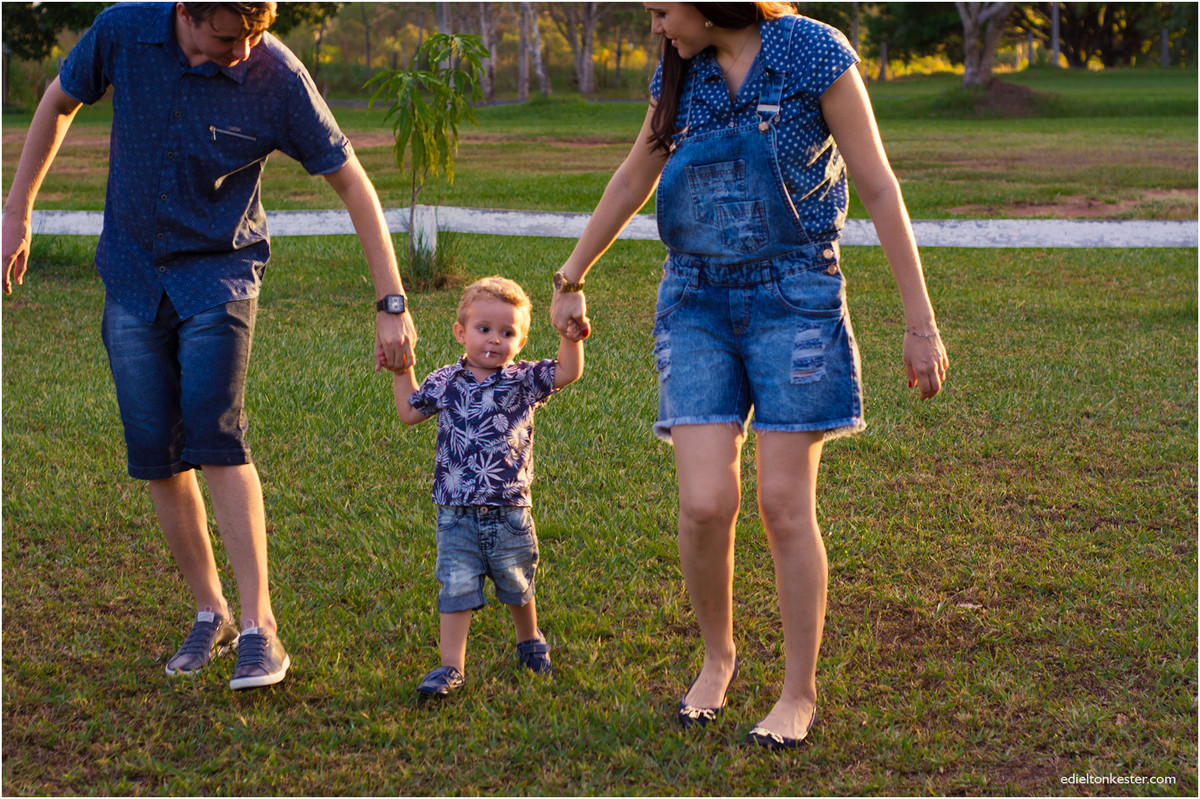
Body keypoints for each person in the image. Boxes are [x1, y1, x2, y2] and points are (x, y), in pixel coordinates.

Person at [550, 2, 949, 748]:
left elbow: (880, 186)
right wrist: (572, 272)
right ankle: (718, 656)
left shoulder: (811, 52)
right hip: (695, 299)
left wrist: (919, 322)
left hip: (795, 297)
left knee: (782, 503)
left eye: (664, 10)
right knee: (705, 502)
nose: (656, 25)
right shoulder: (680, 67)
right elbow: (640, 165)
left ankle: (799, 690)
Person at [1, 2, 417, 690]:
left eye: (256, 33)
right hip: (132, 276)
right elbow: (58, 101)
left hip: (218, 274)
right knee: (158, 453)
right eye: (230, 36)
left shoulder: (276, 73)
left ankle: (261, 627)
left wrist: (391, 303)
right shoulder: (123, 32)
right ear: (187, 13)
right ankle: (211, 610)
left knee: (217, 434)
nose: (245, 50)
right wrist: (18, 211)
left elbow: (352, 182)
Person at [391, 276, 584, 698]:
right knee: (456, 585)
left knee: (516, 581)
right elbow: (409, 412)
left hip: (510, 508)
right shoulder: (445, 380)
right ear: (461, 332)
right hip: (455, 511)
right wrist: (402, 366)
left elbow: (568, 371)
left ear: (522, 340)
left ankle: (529, 638)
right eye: (484, 330)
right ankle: (450, 667)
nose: (494, 340)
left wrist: (570, 337)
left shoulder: (523, 380)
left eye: (507, 332)